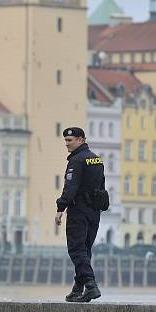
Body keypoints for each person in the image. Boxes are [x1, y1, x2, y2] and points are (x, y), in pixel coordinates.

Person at [55, 127, 107, 303]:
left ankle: (91, 285)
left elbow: (70, 187)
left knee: (76, 249)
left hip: (79, 211)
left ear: (81, 140)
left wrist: (60, 208)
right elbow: (101, 185)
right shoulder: (96, 159)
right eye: (66, 141)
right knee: (85, 250)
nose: (67, 144)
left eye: (70, 141)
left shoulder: (76, 161)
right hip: (94, 210)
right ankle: (78, 288)